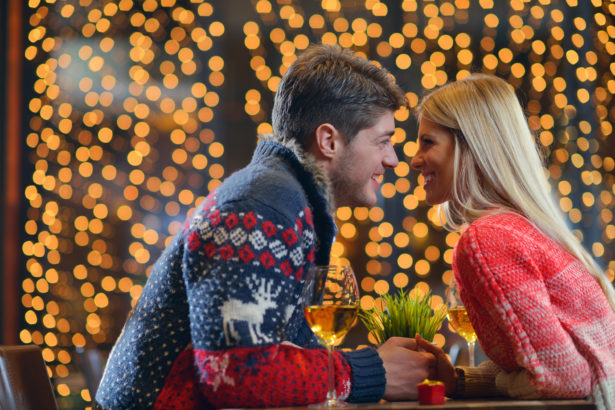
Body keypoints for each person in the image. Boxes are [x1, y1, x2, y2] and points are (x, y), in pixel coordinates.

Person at [95, 44, 436, 409]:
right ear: (329, 140)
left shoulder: (287, 201)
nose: (393, 159)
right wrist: (372, 371)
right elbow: (236, 376)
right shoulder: (259, 209)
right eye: (382, 141)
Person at [409, 73, 615, 410]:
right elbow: (536, 360)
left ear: (469, 145)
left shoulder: (486, 239)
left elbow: (566, 377)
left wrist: (503, 382)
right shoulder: (519, 228)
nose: (415, 160)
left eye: (427, 143)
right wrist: (460, 380)